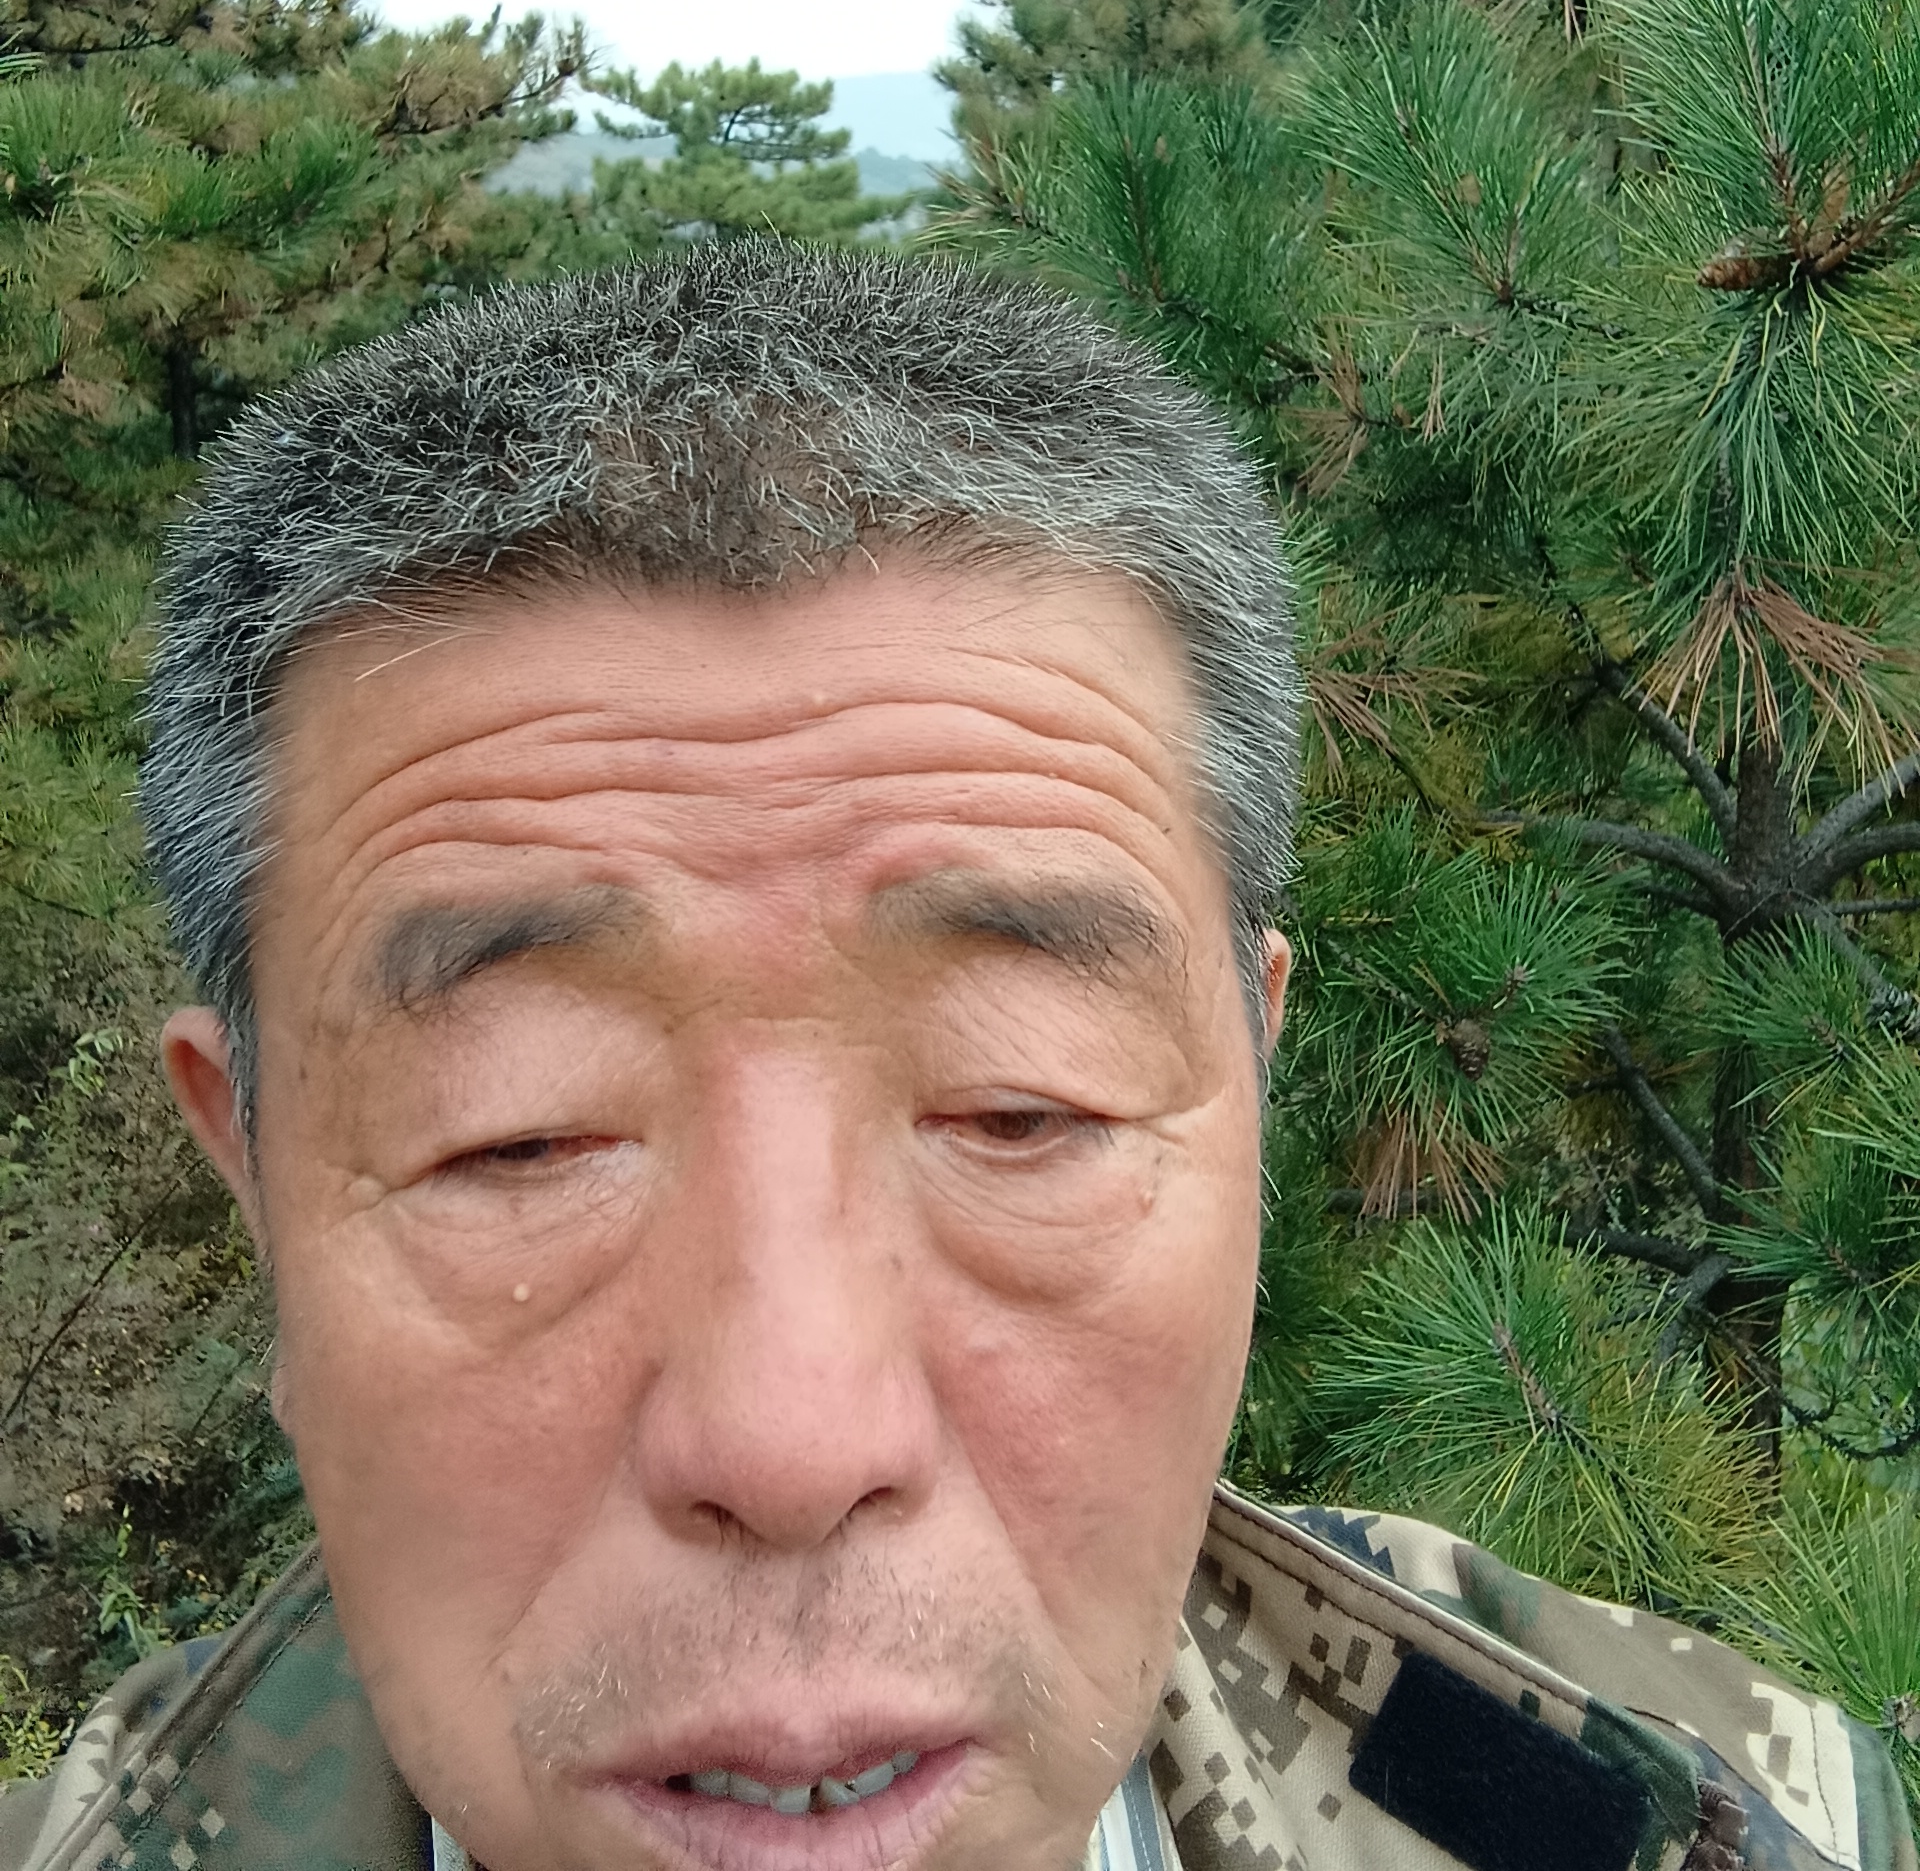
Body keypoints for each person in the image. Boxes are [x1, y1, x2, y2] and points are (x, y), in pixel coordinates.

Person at [0, 245, 1909, 1871]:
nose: (793, 1439)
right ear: (253, 1169)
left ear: (1251, 1091)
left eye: (1021, 1108)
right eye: (519, 1141)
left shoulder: (1750, 1816)